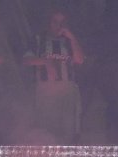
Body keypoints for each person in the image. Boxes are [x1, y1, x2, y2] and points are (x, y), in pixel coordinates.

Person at [23, 9, 85, 142]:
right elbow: (26, 60)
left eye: (62, 23)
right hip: (46, 89)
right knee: (47, 127)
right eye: (55, 22)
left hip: (67, 89)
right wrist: (45, 61)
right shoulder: (39, 39)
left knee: (69, 127)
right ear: (49, 23)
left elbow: (79, 59)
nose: (59, 26)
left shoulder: (69, 41)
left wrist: (72, 37)